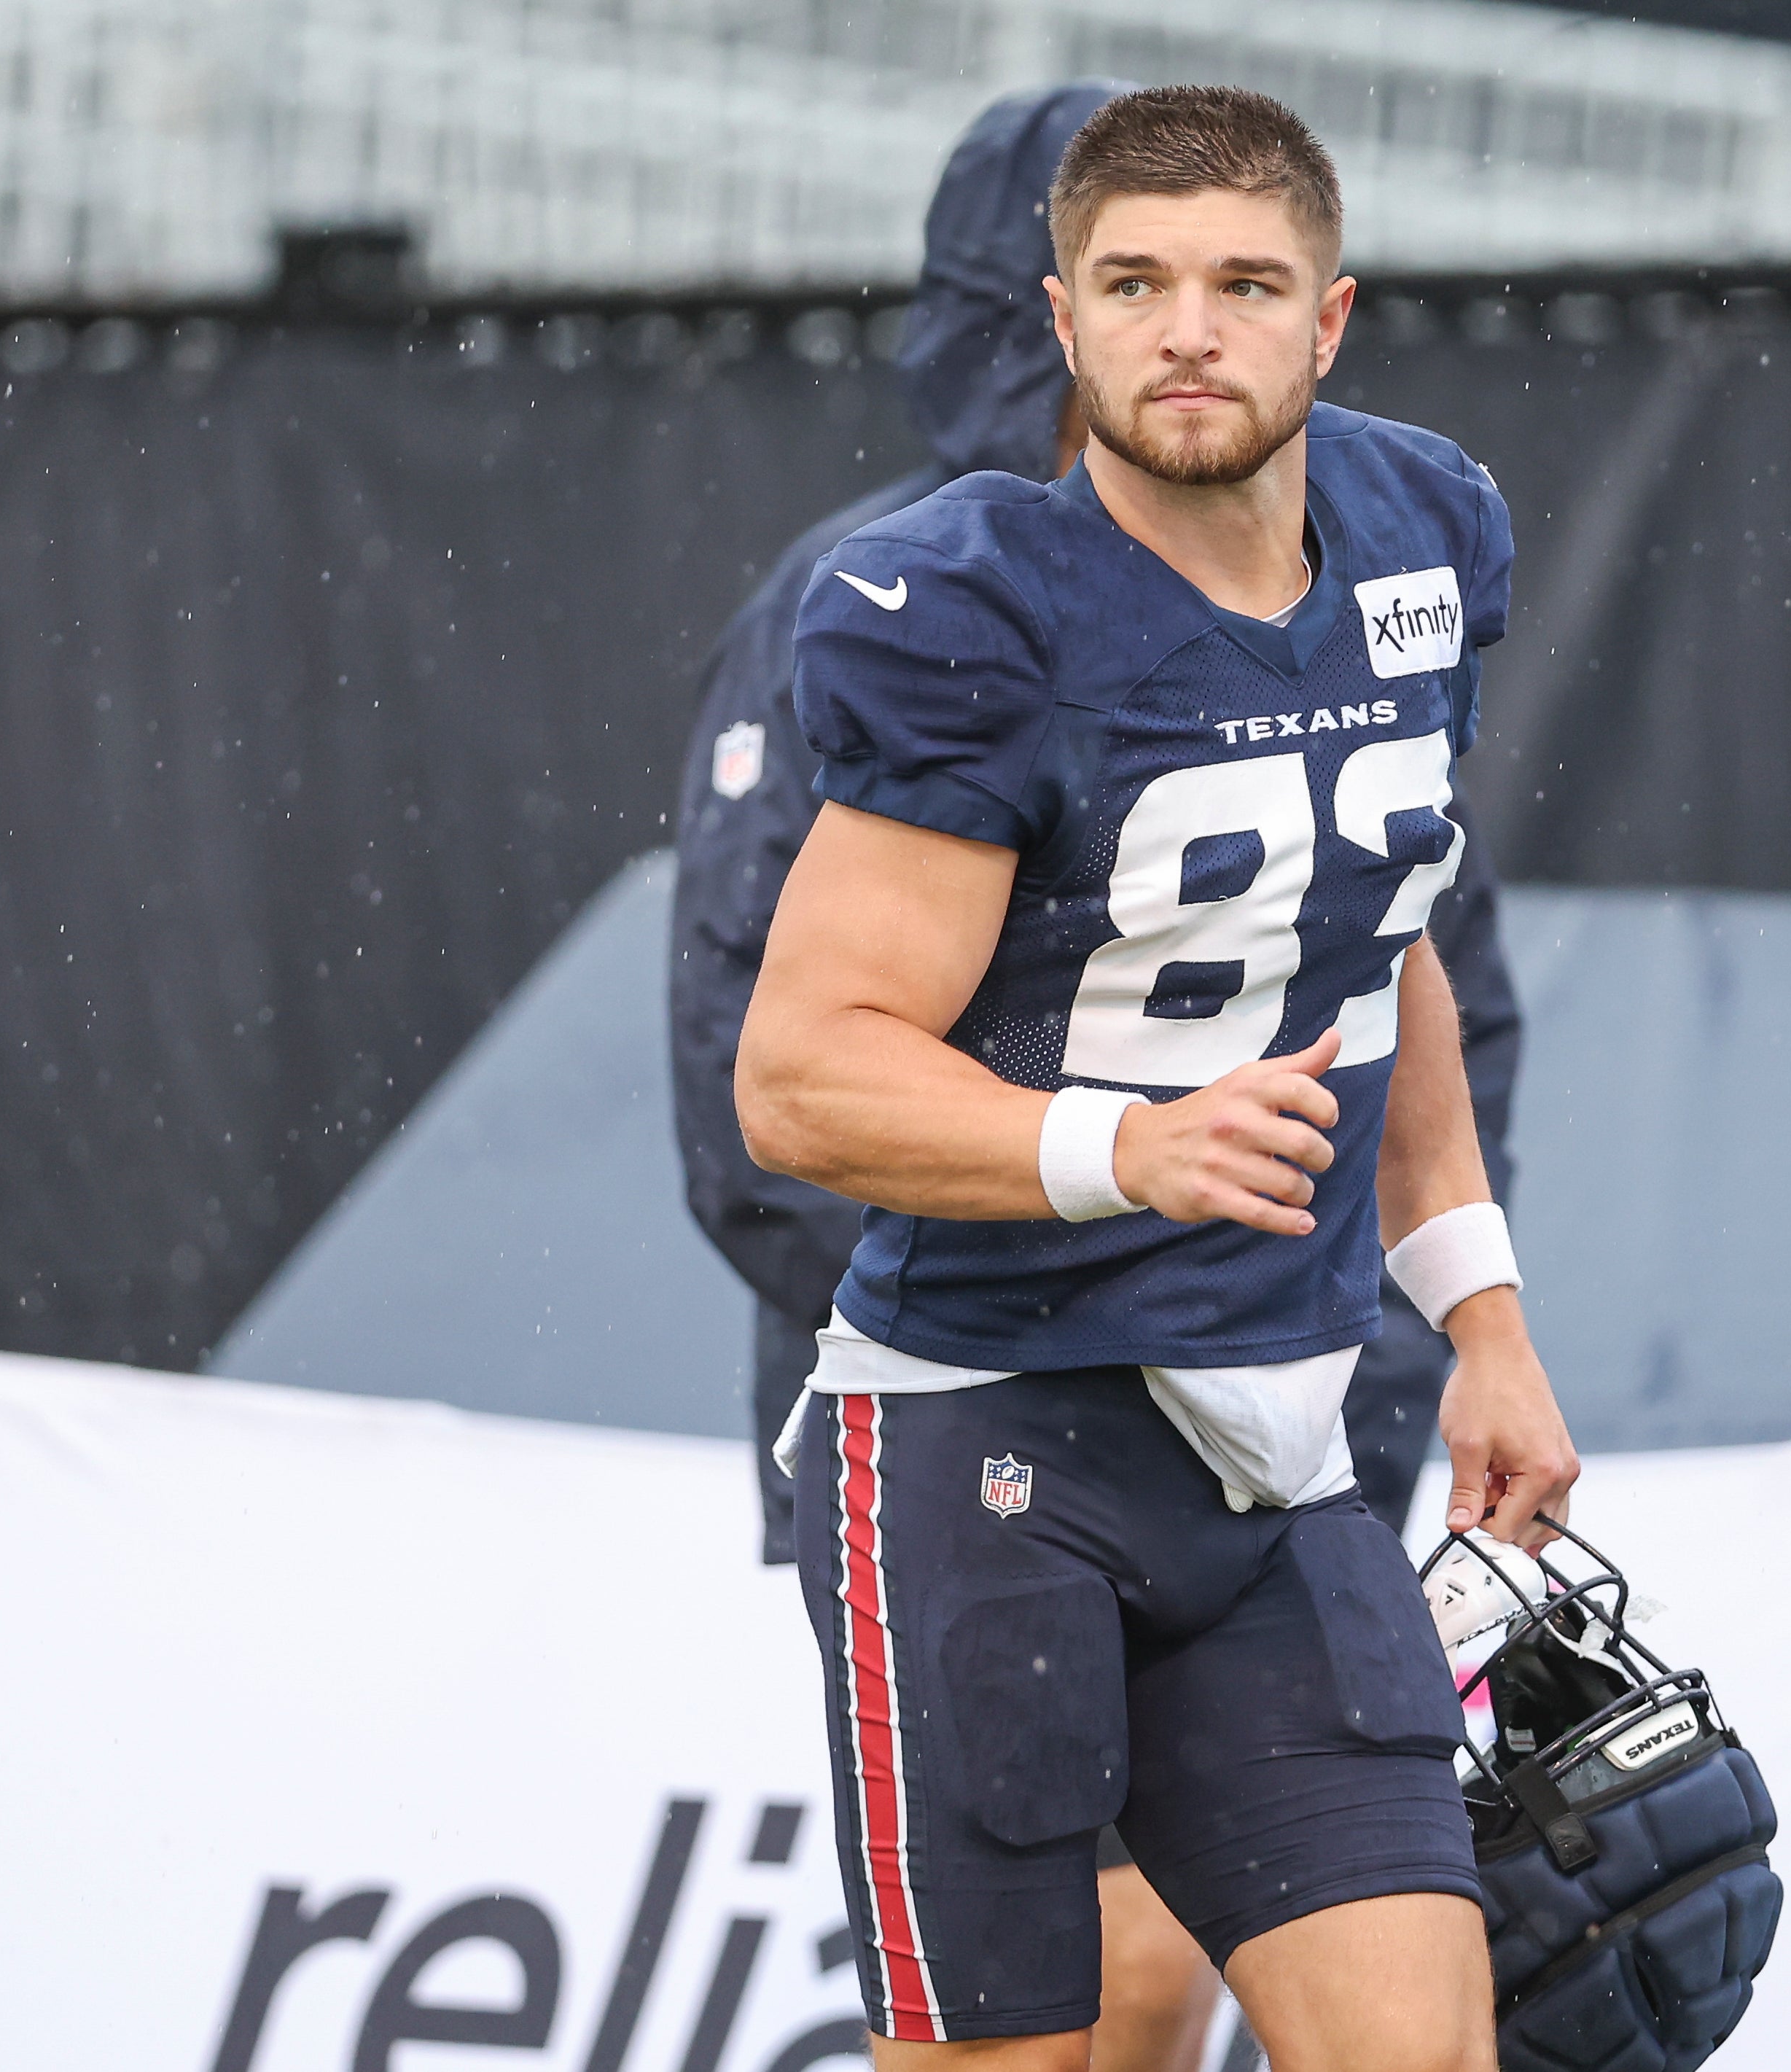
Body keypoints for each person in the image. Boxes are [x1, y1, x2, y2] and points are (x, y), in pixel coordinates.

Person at [666, 83, 1530, 2069]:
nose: (1187, 330)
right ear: (1056, 319)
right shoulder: (962, 604)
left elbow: (1378, 951)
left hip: (1274, 1447)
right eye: (1134, 283)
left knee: (1426, 2040)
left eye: (1243, 284)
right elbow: (793, 1084)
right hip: (987, 1449)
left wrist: (1478, 1311)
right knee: (1061, 2044)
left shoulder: (1419, 533)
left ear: (1331, 320)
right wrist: (1121, 1149)